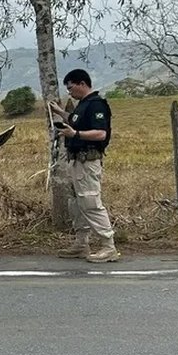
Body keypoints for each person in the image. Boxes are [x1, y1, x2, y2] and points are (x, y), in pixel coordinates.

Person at [48, 69, 119, 263]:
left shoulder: (96, 105)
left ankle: (108, 246)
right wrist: (61, 113)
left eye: (71, 88)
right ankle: (81, 244)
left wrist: (75, 135)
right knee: (77, 204)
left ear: (82, 84)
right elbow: (74, 121)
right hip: (76, 161)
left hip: (88, 161)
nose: (70, 93)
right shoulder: (82, 106)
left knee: (90, 202)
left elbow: (100, 134)